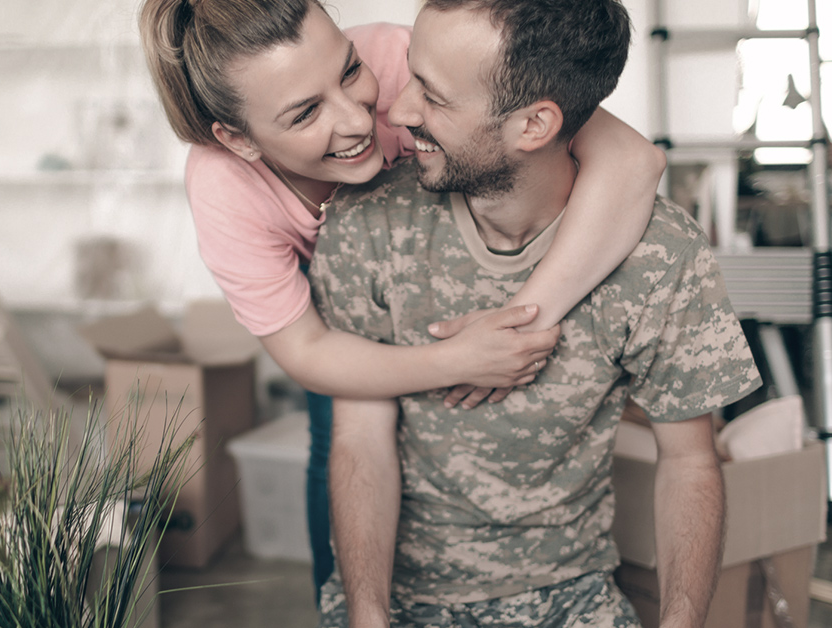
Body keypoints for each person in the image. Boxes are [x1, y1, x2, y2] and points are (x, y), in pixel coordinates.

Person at [139, 0, 666, 597]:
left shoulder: (398, 58)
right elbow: (308, 348)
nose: (360, 121)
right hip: (349, 320)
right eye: (306, 113)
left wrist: (521, 321)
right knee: (342, 442)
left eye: (347, 71)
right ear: (238, 139)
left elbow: (632, 158)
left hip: (480, 287)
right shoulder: (225, 192)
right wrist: (454, 361)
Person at [307, 0, 763, 626]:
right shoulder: (367, 222)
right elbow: (359, 437)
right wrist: (368, 614)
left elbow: (688, 462)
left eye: (434, 97)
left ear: (534, 125)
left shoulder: (662, 255)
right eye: (409, 75)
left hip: (571, 594)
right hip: (400, 596)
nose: (399, 110)